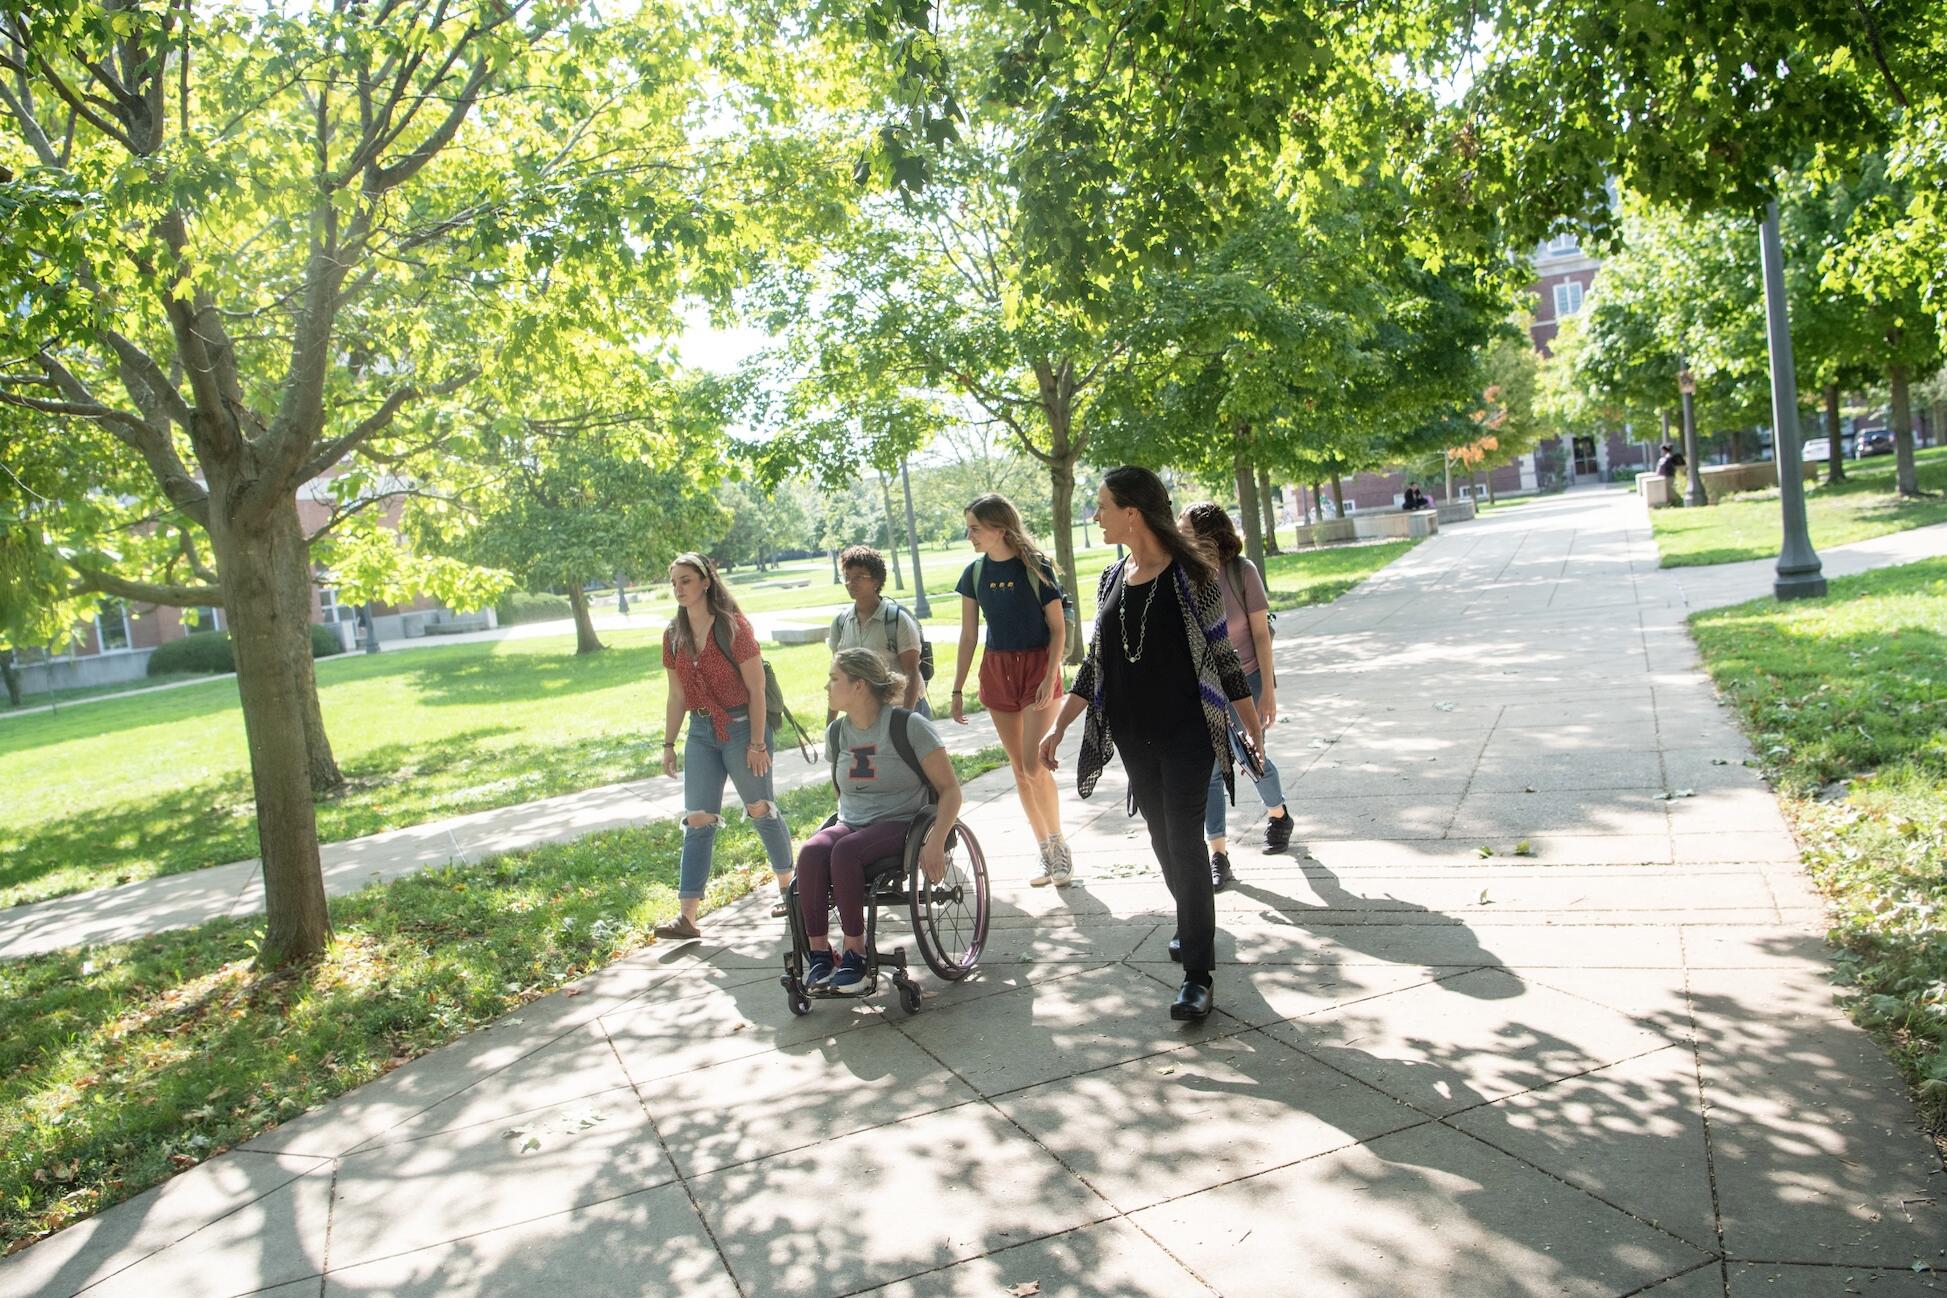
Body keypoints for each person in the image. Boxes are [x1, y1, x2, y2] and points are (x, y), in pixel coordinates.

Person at [1040, 467, 1263, 1022]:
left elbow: (1222, 654)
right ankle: (1193, 923)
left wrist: (1250, 720)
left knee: (1186, 842)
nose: (1096, 516)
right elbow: (1096, 664)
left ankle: (1198, 976)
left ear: (1132, 512)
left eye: (1103, 506)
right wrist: (1061, 723)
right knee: (1165, 844)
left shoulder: (1193, 575)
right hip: (1136, 739)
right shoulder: (1111, 579)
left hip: (1189, 734)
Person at [799, 648, 964, 994]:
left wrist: (936, 843)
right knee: (812, 852)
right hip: (853, 821)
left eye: (834, 679)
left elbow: (950, 790)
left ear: (859, 685)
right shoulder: (837, 733)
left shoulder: (908, 726)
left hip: (902, 822)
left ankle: (855, 956)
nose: (826, 687)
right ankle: (819, 955)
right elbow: (842, 791)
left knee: (845, 852)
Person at [656, 552, 795, 939]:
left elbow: (756, 688)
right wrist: (669, 744)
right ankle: (687, 916)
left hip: (741, 728)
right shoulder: (673, 635)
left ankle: (790, 888)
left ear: (705, 582)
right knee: (697, 817)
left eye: (685, 580)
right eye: (674, 582)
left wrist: (756, 742)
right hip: (701, 733)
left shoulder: (733, 627)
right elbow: (676, 696)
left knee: (760, 808)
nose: (678, 588)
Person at [951, 493, 1071, 886]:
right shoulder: (973, 574)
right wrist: (956, 689)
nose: (969, 535)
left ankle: (1059, 848)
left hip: (1039, 667)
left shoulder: (1035, 568)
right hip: (998, 669)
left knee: (1035, 764)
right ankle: (1043, 852)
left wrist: (1048, 675)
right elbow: (969, 635)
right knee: (1020, 771)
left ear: (999, 528)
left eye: (975, 528)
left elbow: (1058, 629)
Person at [1180, 503, 1294, 887]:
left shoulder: (1242, 572)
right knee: (1211, 768)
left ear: (1207, 535)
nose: (1178, 536)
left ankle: (1278, 814)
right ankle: (1219, 855)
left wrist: (1268, 693)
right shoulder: (1184, 576)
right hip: (1206, 687)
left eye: (1185, 530)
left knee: (1250, 755)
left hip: (1248, 679)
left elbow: (1262, 633)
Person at [828, 545, 929, 718]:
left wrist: (905, 721)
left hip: (903, 710)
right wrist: (830, 725)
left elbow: (912, 673)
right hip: (864, 717)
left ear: (876, 580)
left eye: (859, 577)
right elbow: (837, 676)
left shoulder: (897, 620)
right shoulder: (840, 623)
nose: (851, 583)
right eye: (847, 577)